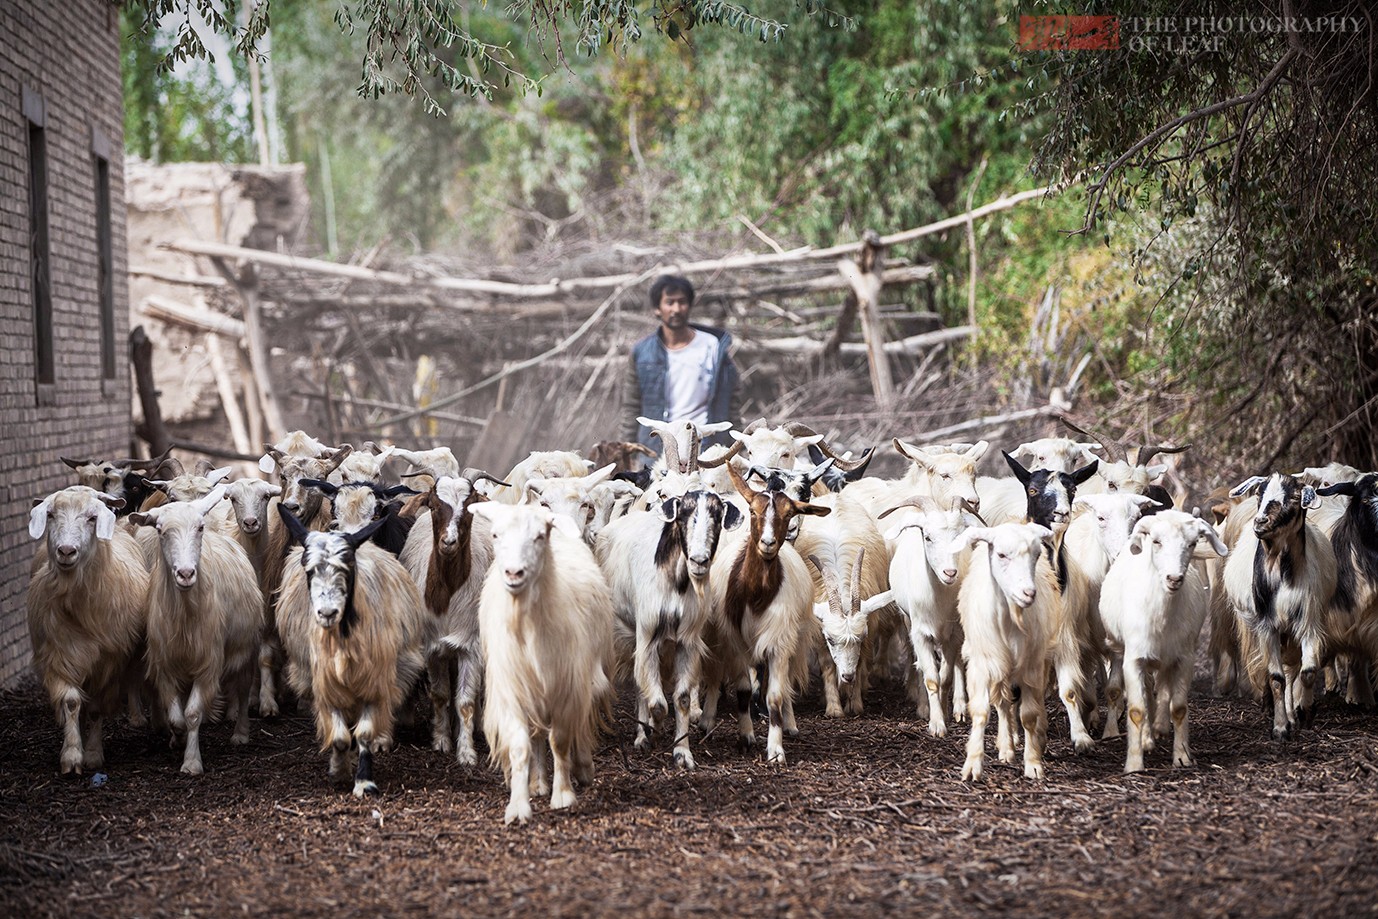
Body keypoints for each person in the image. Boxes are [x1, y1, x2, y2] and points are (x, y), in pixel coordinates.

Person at [620, 274, 740, 452]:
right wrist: (626, 449)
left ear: (690, 306)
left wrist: (735, 446)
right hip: (659, 447)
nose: (676, 309)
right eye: (669, 302)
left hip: (704, 445)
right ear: (657, 309)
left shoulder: (712, 346)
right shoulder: (642, 352)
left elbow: (731, 399)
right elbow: (631, 405)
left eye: (682, 302)